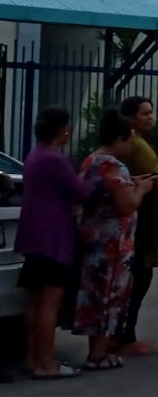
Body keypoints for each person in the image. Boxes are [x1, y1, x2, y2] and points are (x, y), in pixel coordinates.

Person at [75, 110, 158, 370]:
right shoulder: (112, 165)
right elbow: (126, 205)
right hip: (111, 243)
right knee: (109, 295)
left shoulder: (92, 161)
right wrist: (142, 189)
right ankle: (99, 354)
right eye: (129, 141)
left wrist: (130, 182)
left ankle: (97, 350)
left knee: (96, 294)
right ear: (120, 139)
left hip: (94, 239)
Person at [15, 107, 91, 379]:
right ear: (64, 130)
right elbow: (81, 191)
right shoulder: (55, 160)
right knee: (50, 302)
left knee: (35, 301)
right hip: (54, 238)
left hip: (34, 236)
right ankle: (46, 363)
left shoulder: (35, 156)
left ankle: (33, 358)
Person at [114, 95, 158, 355]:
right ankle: (126, 334)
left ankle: (123, 332)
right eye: (145, 113)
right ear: (131, 117)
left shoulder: (134, 143)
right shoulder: (138, 145)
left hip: (141, 215)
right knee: (140, 275)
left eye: (151, 112)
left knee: (136, 275)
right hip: (146, 216)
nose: (151, 117)